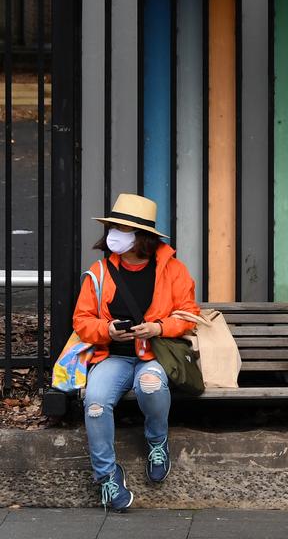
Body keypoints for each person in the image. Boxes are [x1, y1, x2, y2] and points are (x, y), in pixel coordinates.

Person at [73, 193, 198, 512]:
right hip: (111, 357)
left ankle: (157, 442)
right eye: (113, 226)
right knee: (96, 404)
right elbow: (82, 321)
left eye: (122, 228)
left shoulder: (173, 270)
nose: (114, 233)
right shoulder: (99, 272)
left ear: (142, 237)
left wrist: (158, 328)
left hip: (152, 356)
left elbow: (188, 314)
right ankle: (106, 476)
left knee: (152, 385)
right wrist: (108, 330)